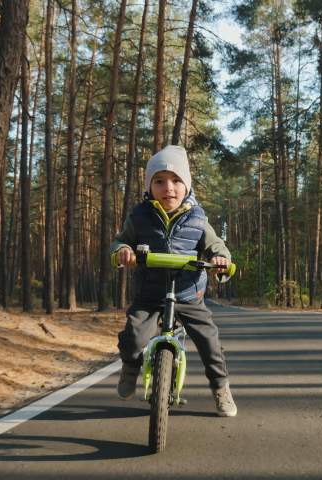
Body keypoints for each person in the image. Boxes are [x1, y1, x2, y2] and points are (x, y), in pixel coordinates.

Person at [110, 145, 237, 417]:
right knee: (133, 336)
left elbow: (216, 245)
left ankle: (220, 388)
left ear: (187, 186)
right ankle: (130, 368)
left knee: (209, 342)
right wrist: (122, 250)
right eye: (159, 181)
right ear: (150, 186)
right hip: (149, 292)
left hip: (188, 293)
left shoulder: (197, 217)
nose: (168, 187)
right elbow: (121, 240)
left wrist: (220, 261)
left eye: (176, 180)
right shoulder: (139, 216)